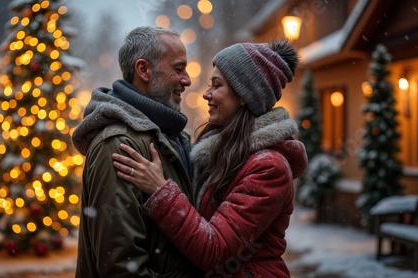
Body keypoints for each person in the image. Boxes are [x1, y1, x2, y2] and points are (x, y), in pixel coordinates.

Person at [112, 40, 308, 277]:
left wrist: (160, 190)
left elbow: (214, 249)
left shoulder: (268, 167)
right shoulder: (223, 151)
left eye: (217, 85)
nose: (206, 94)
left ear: (245, 95)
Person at [71, 26, 200, 277]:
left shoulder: (171, 136)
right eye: (178, 68)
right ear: (144, 70)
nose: (187, 80)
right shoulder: (119, 145)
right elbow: (121, 269)